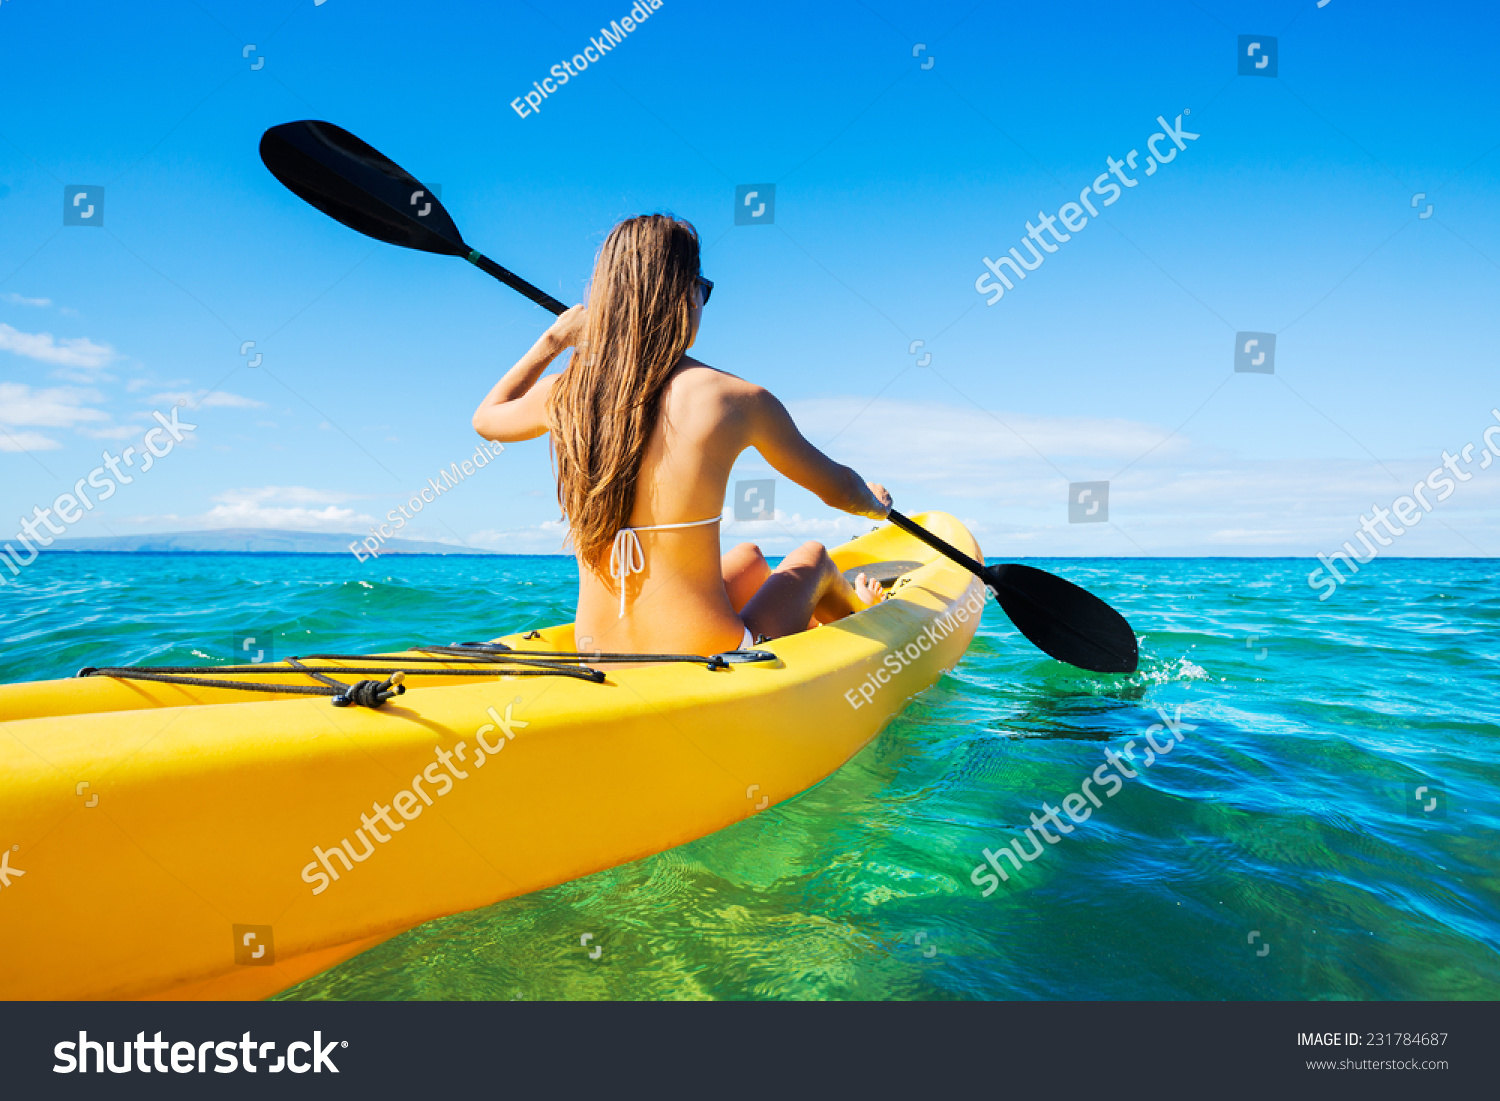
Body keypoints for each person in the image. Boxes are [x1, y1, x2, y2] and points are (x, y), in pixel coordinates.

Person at [472, 214, 891, 657]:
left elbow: (486, 418)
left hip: (597, 648)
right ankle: (864, 613)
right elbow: (841, 490)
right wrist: (874, 504)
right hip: (711, 650)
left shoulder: (565, 393)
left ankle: (801, 624)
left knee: (750, 558)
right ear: (686, 294)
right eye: (703, 288)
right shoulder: (734, 397)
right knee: (817, 558)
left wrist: (554, 340)